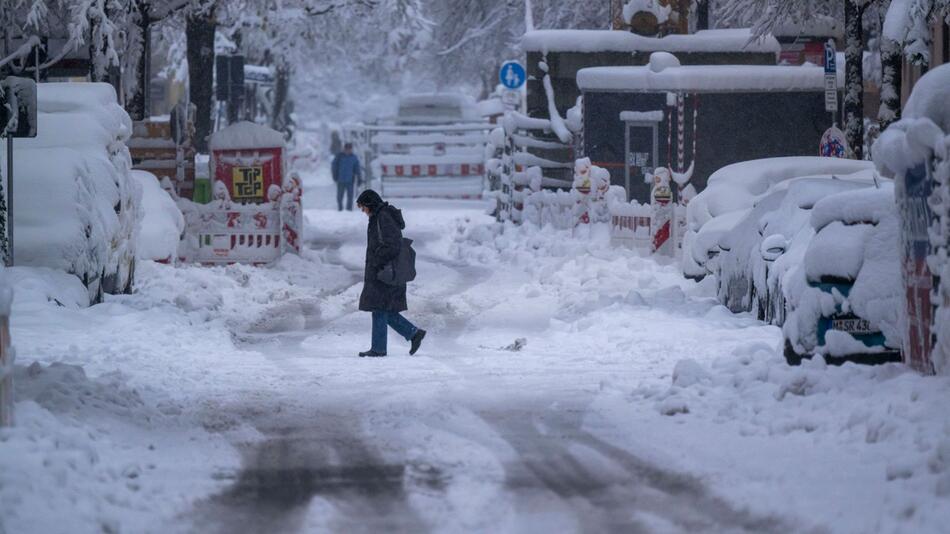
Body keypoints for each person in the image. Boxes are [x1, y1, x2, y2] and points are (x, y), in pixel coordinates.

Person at [356, 189, 426, 357]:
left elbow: (392, 245)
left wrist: (377, 260)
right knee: (383, 309)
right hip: (382, 271)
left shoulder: (383, 217)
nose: (363, 211)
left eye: (363, 207)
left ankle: (380, 348)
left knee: (379, 309)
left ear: (370, 204)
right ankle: (413, 333)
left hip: (385, 272)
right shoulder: (378, 216)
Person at [331, 142, 361, 211]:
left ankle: (349, 209)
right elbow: (334, 166)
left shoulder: (354, 158)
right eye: (346, 149)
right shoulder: (339, 156)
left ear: (351, 149)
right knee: (339, 196)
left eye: (349, 149)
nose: (348, 151)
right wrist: (334, 175)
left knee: (350, 196)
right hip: (340, 180)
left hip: (350, 180)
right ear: (344, 149)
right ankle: (340, 208)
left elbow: (357, 168)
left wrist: (359, 177)